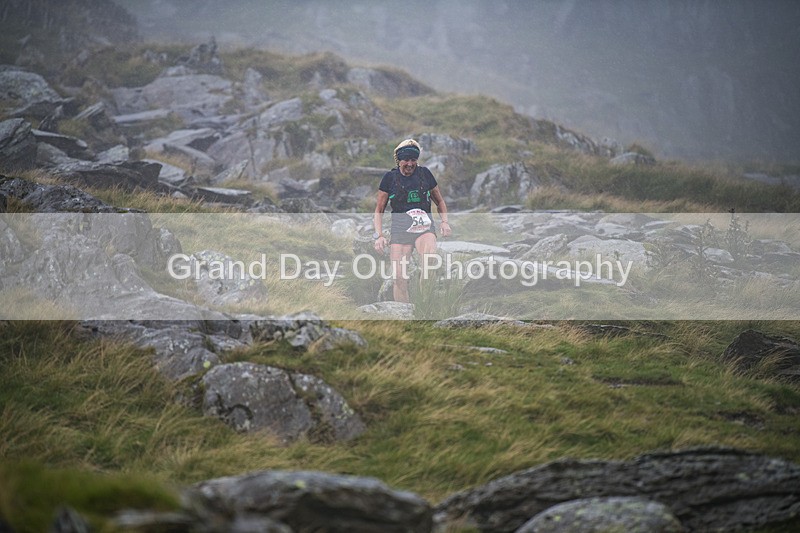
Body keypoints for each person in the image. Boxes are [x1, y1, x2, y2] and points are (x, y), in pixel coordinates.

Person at [373, 138, 451, 302]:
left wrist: (444, 222)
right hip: (400, 231)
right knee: (399, 278)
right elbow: (379, 210)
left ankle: (425, 308)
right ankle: (406, 318)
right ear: (399, 160)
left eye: (413, 160)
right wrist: (379, 235)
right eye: (406, 160)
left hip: (424, 229)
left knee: (429, 264)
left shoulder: (425, 174)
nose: (410, 164)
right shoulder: (389, 178)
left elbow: (440, 202)